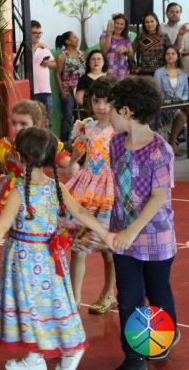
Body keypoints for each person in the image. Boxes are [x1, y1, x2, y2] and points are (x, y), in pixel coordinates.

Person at [0, 127, 114, 370]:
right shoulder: (56, 187)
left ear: (18, 157)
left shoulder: (18, 192)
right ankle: (44, 356)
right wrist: (106, 233)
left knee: (30, 307)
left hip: (24, 262)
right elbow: (81, 212)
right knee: (52, 304)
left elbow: (1, 226)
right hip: (49, 260)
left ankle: (62, 352)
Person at [109, 77, 180, 370]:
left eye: (112, 107)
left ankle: (165, 336)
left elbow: (158, 197)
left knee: (158, 293)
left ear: (126, 111)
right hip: (122, 238)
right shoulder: (115, 143)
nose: (108, 113)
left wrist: (132, 230)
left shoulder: (160, 150)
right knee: (128, 298)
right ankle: (134, 356)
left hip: (155, 238)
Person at [65, 76, 117, 314]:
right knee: (78, 247)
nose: (101, 106)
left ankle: (108, 293)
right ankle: (74, 300)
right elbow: (76, 151)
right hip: (86, 192)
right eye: (96, 100)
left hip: (108, 193)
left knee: (108, 251)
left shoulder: (119, 131)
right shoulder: (87, 126)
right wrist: (70, 163)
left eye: (107, 101)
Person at [0, 100, 70, 224]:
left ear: (37, 124)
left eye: (23, 124)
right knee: (9, 222)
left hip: (36, 190)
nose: (17, 128)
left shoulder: (43, 143)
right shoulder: (7, 145)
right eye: (14, 123)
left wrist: (71, 164)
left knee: (36, 221)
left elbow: (59, 156)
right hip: (11, 191)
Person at [152, 45, 188, 156]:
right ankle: (172, 142)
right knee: (182, 115)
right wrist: (171, 102)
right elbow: (158, 92)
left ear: (177, 56)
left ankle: (172, 141)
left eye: (173, 53)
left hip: (180, 104)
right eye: (168, 54)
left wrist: (181, 101)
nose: (170, 56)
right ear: (164, 56)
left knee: (184, 112)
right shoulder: (159, 73)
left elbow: (186, 92)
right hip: (165, 106)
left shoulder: (183, 74)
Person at [55, 31, 85, 141]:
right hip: (68, 91)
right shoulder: (62, 56)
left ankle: (80, 141)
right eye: (74, 37)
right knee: (67, 117)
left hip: (81, 90)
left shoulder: (81, 53)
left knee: (81, 117)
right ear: (67, 41)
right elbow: (57, 74)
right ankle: (64, 142)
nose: (77, 39)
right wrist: (62, 91)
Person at [30, 20, 56, 126]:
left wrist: (47, 63)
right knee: (33, 122)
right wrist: (36, 46)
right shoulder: (21, 46)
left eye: (39, 33)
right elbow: (23, 60)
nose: (38, 35)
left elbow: (54, 64)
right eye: (34, 33)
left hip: (46, 91)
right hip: (32, 91)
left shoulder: (44, 48)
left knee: (47, 122)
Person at [132, 11, 171, 76]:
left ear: (156, 22)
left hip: (161, 73)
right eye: (147, 22)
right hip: (144, 73)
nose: (149, 24)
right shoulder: (140, 37)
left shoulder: (164, 37)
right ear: (144, 24)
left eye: (152, 21)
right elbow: (131, 51)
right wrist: (134, 66)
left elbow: (171, 53)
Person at [75, 50, 108, 118]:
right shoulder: (84, 79)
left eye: (99, 59)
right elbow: (79, 99)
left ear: (104, 62)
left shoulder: (109, 77)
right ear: (89, 62)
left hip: (108, 111)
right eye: (93, 59)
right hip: (90, 112)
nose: (96, 61)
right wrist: (93, 109)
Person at [100, 13, 134, 80]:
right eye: (117, 23)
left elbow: (132, 57)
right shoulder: (104, 35)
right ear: (113, 24)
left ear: (125, 26)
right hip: (107, 71)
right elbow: (104, 50)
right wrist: (109, 33)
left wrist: (126, 50)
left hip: (123, 72)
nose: (119, 26)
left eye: (122, 24)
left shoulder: (126, 40)